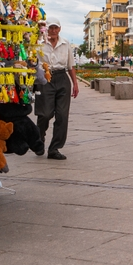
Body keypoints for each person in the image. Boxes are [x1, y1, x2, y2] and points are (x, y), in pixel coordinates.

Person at [35, 21, 79, 160]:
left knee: (62, 115)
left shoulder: (65, 44)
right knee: (45, 114)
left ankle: (54, 148)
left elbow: (70, 65)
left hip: (61, 78)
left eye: (55, 28)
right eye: (50, 28)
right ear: (46, 29)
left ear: (59, 29)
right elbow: (33, 62)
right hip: (45, 78)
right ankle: (39, 139)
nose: (53, 30)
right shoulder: (39, 43)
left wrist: (75, 84)